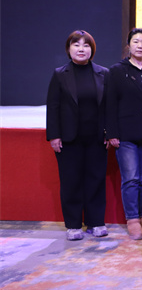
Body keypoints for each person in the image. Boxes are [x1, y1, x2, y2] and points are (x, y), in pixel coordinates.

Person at [46, 30, 109, 241]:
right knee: (71, 181)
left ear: (92, 49)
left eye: (86, 45)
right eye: (76, 44)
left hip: (96, 138)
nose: (81, 49)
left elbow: (108, 106)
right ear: (69, 49)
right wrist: (54, 135)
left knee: (96, 180)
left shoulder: (103, 73)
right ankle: (73, 225)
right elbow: (53, 106)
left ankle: (96, 222)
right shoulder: (60, 74)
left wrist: (109, 132)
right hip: (68, 138)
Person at [106, 28, 142, 240]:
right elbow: (109, 103)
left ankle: (141, 215)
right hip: (125, 134)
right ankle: (132, 219)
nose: (140, 45)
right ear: (129, 45)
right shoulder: (117, 71)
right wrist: (111, 132)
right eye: (136, 41)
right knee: (131, 178)